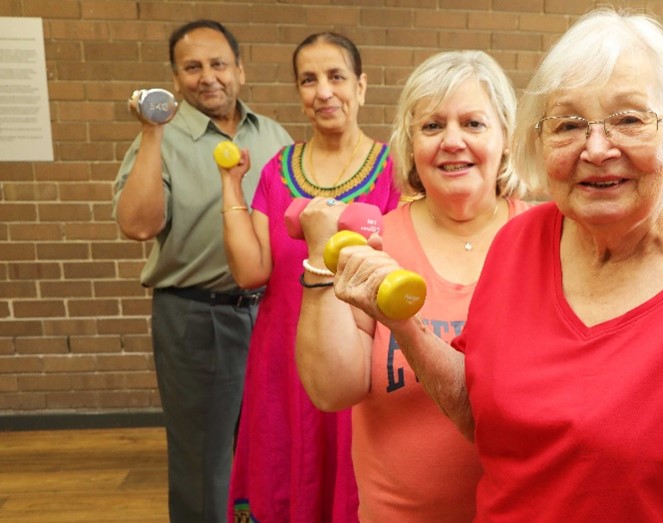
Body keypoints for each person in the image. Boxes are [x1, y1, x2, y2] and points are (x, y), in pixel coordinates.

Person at [318, 8, 663, 522]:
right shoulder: (518, 242)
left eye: (628, 119)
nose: (596, 148)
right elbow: (483, 415)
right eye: (568, 124)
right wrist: (404, 328)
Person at [293, 50, 528, 521]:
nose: (452, 141)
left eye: (474, 124)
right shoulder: (374, 243)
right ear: (411, 145)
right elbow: (331, 390)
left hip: (525, 510)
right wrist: (321, 260)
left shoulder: (549, 238)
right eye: (432, 126)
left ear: (506, 138)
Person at [113, 20, 293, 523]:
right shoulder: (163, 138)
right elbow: (139, 225)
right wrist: (152, 132)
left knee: (265, 447)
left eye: (218, 64)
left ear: (240, 69)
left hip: (269, 313)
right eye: (192, 67)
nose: (207, 77)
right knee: (203, 461)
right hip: (197, 315)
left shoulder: (274, 135)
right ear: (176, 79)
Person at [220, 32, 400, 523]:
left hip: (358, 359)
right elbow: (251, 271)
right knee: (285, 479)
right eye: (308, 79)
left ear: (361, 87)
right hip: (282, 360)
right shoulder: (278, 171)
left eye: (336, 76)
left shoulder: (395, 171)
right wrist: (230, 187)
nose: (323, 91)